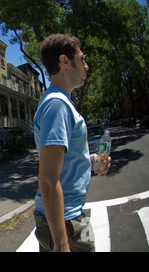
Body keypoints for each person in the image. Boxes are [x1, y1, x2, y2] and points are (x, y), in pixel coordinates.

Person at [33, 34, 111, 252]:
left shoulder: (61, 103)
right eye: (82, 59)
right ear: (65, 61)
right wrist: (61, 243)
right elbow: (48, 180)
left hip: (71, 215)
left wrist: (90, 161)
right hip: (65, 222)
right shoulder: (57, 105)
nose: (86, 66)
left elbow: (63, 162)